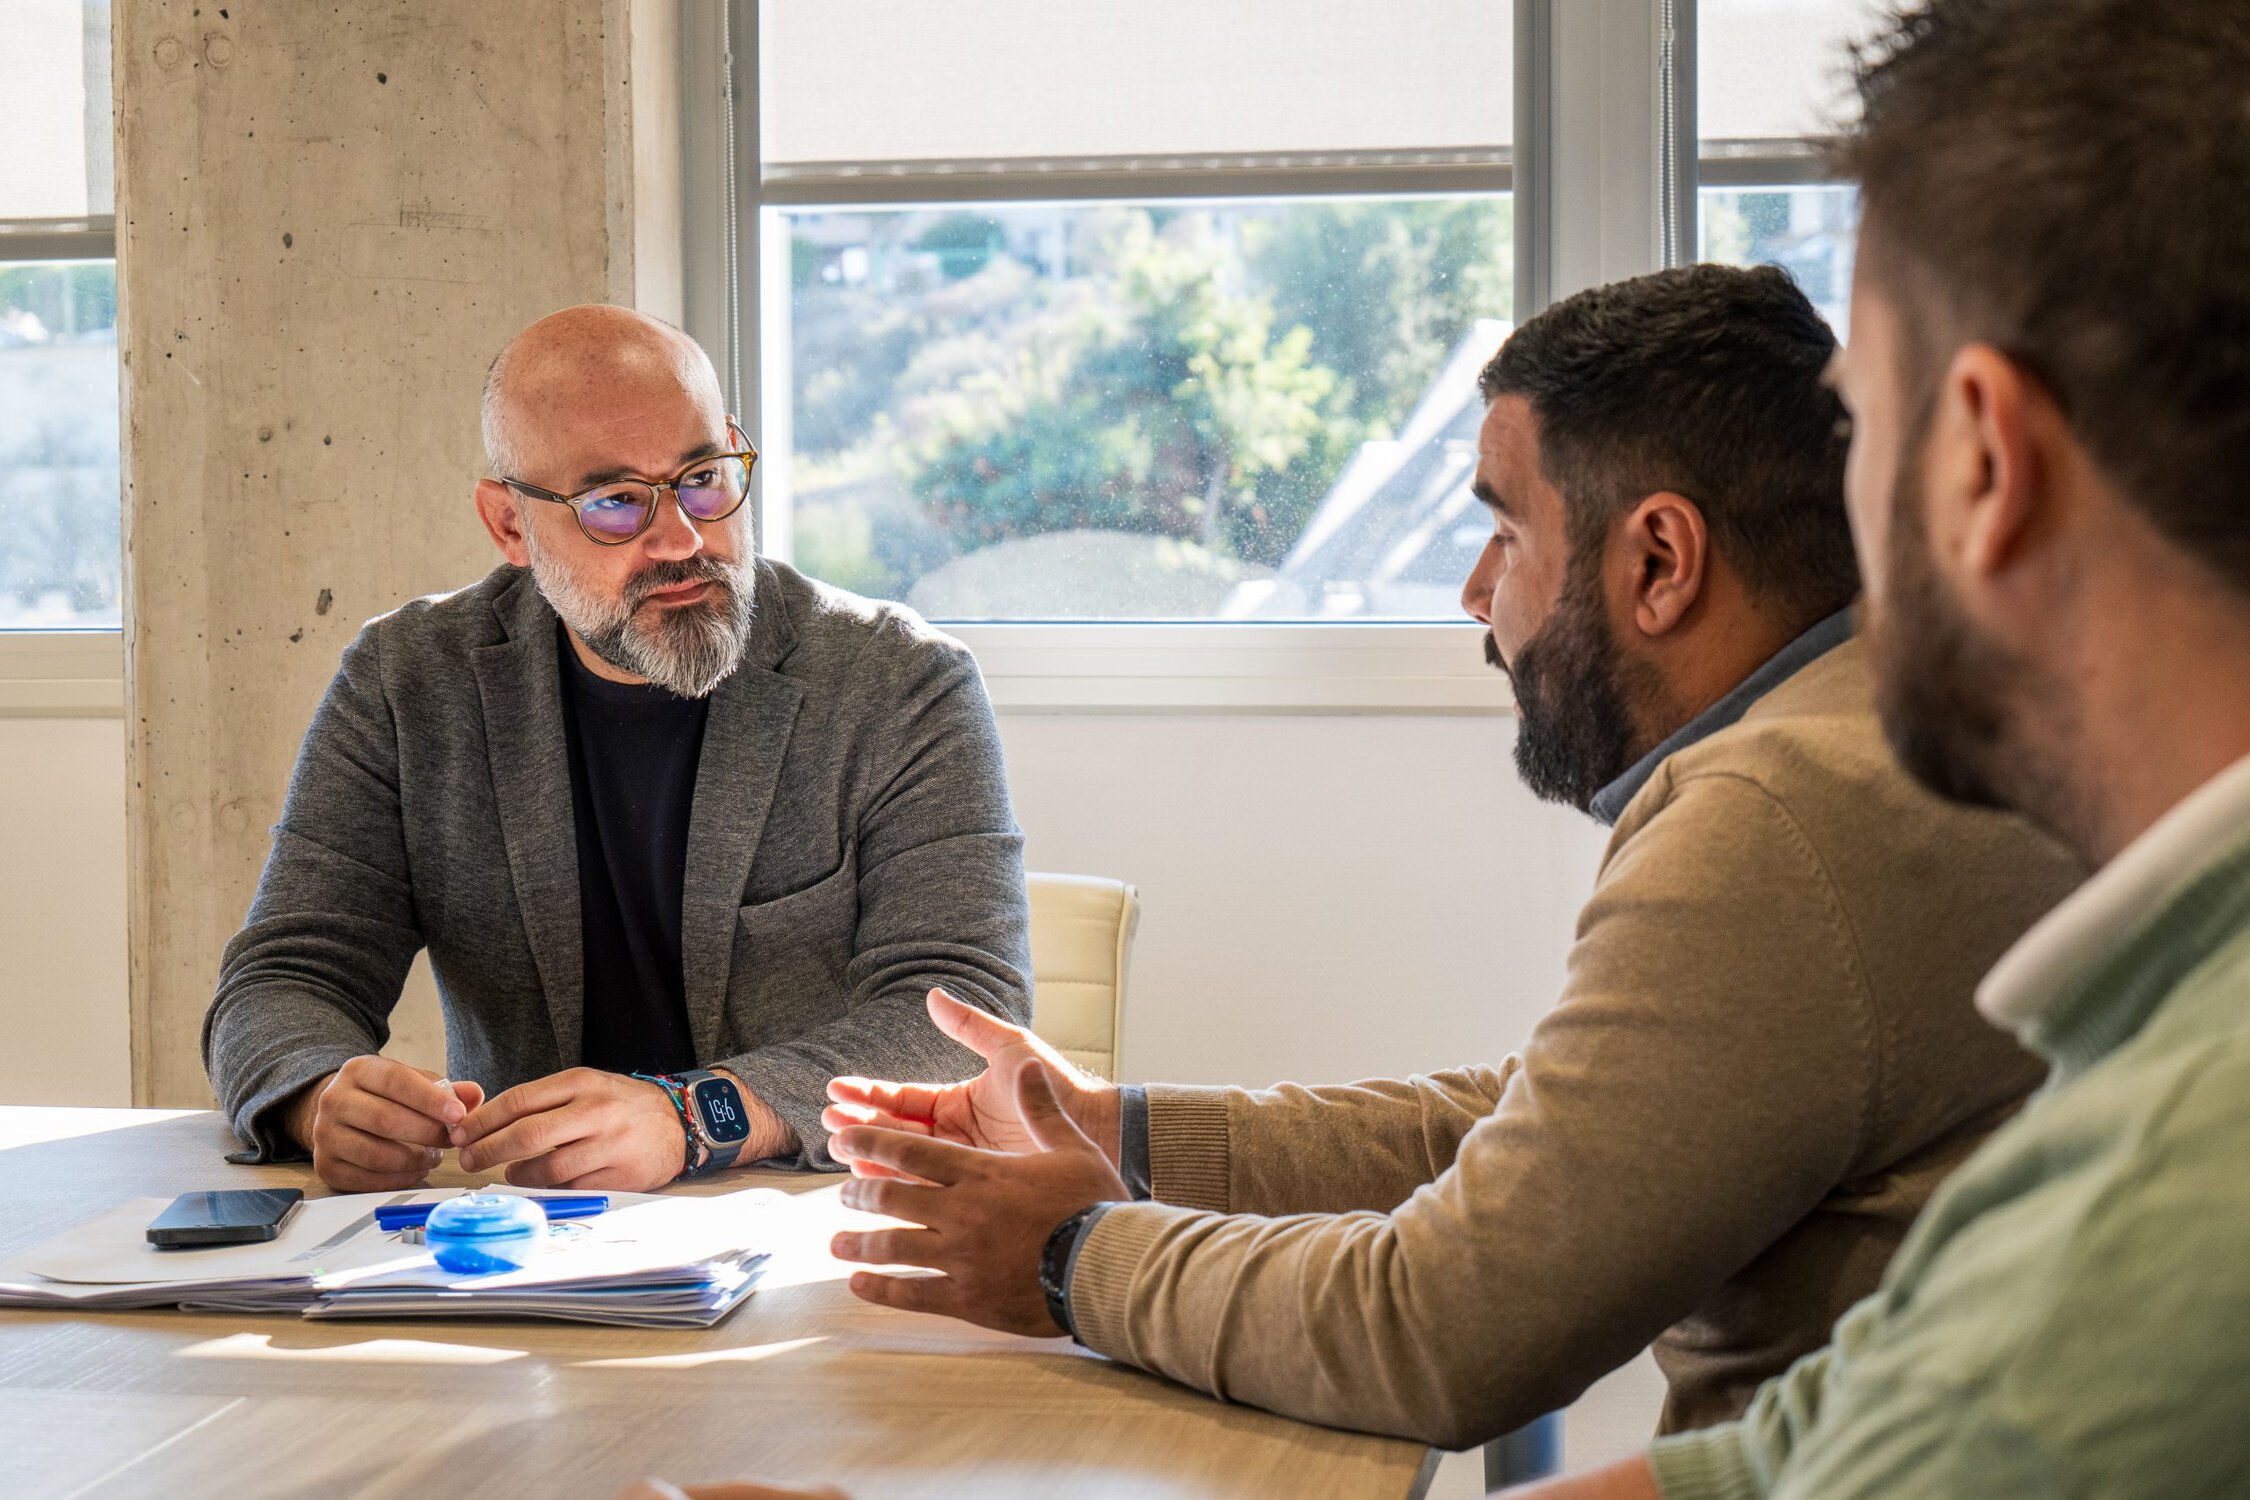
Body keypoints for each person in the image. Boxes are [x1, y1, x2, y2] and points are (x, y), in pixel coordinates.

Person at [816, 265, 2086, 1448]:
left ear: (1660, 560)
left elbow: (1434, 1332)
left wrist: (1072, 1256)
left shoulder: (1779, 816)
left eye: (1508, 535)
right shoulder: (1884, 731)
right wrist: (1121, 1128)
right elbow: (1559, 1123)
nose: (1479, 594)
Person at [1501, 2, 2250, 1495]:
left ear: (1981, 461)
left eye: (1862, 425)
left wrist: (1083, 1257)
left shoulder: (2160, 1199)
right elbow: (1783, 1457)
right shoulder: (2148, 1051)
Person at [203, 305, 1031, 1193]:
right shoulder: (408, 684)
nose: (683, 539)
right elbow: (284, 977)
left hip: (817, 1211)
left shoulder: (898, 683)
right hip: (526, 1233)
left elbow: (960, 1013)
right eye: (615, 503)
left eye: (705, 478)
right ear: (510, 526)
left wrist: (696, 1115)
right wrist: (320, 1095)